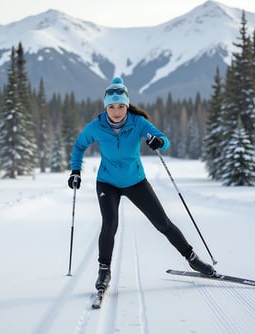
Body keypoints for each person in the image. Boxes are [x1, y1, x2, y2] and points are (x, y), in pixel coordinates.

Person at [68, 77, 214, 291]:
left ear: (126, 106)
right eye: (111, 106)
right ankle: (104, 271)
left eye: (120, 106)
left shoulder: (138, 123)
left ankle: (192, 258)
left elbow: (163, 139)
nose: (116, 111)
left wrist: (159, 142)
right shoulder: (96, 127)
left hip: (135, 181)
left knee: (163, 223)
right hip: (107, 182)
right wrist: (75, 171)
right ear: (105, 107)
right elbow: (79, 146)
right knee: (110, 225)